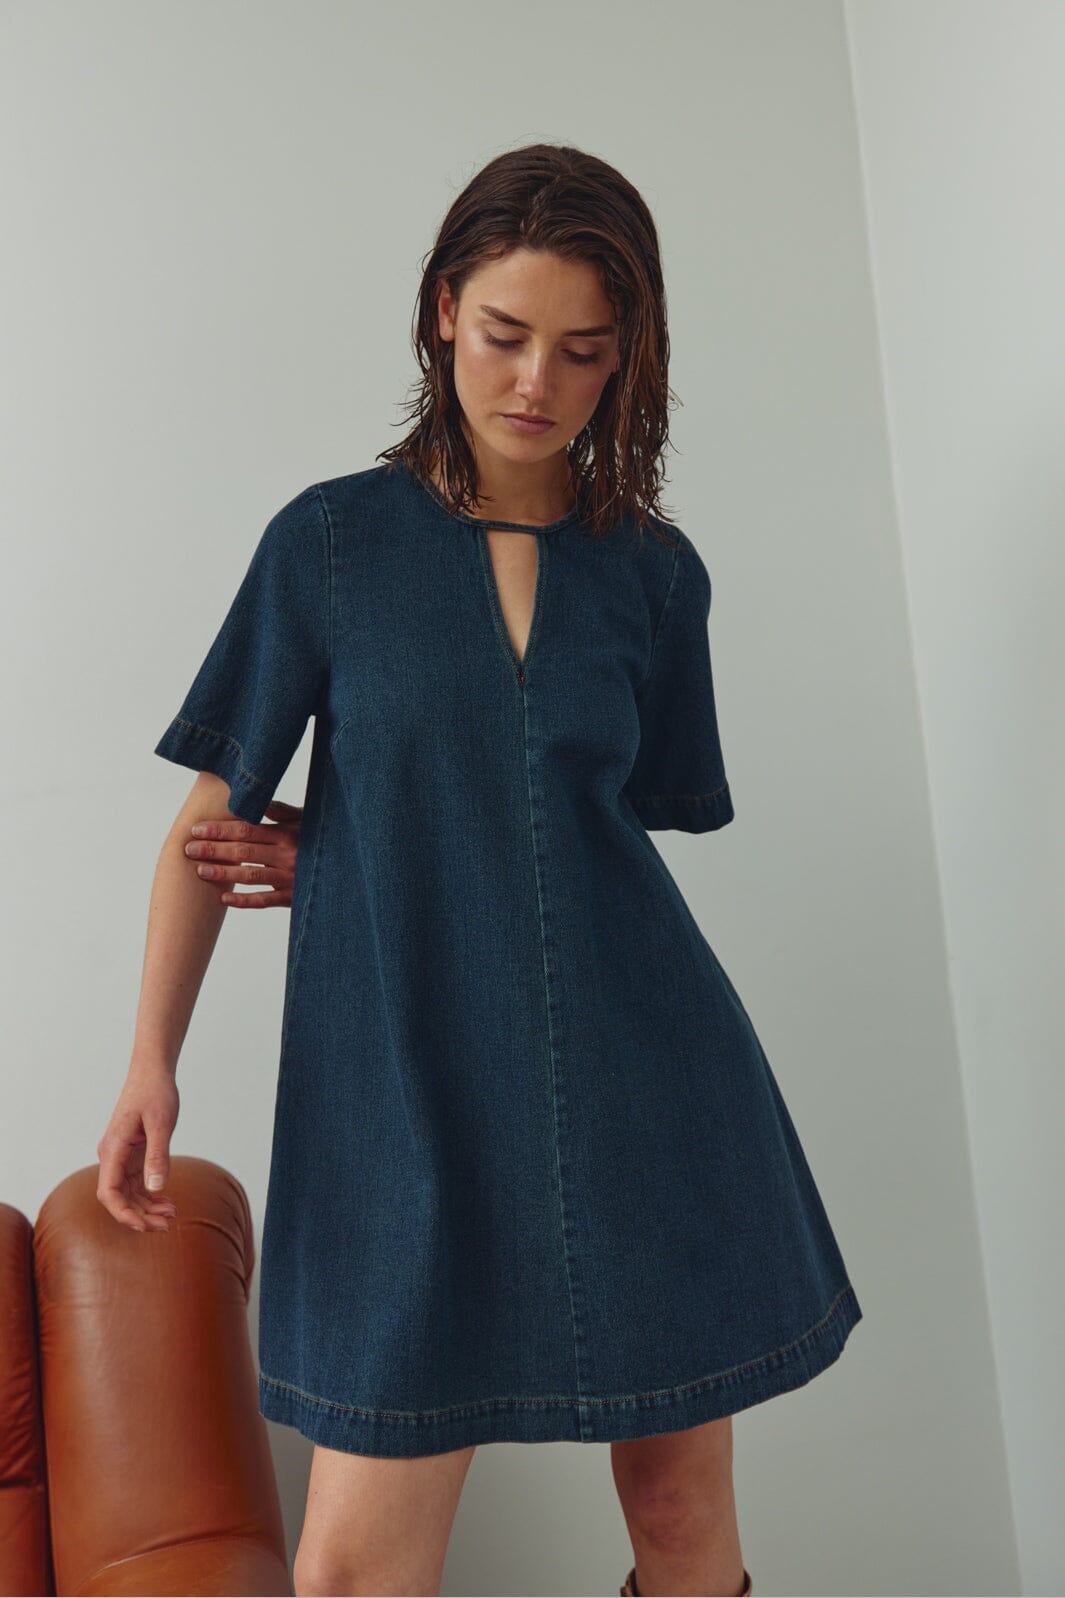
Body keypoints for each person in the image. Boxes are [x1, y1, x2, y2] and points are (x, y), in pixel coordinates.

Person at [96, 142, 862, 1598]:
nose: (536, 382)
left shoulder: (656, 573)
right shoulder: (328, 546)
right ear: (444, 309)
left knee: (681, 1516)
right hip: (403, 1094)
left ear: (628, 357)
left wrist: (374, 839)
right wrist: (151, 1060)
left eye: (584, 351)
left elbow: (592, 830)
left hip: (645, 1083)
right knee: (352, 1566)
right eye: (507, 334)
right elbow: (203, 831)